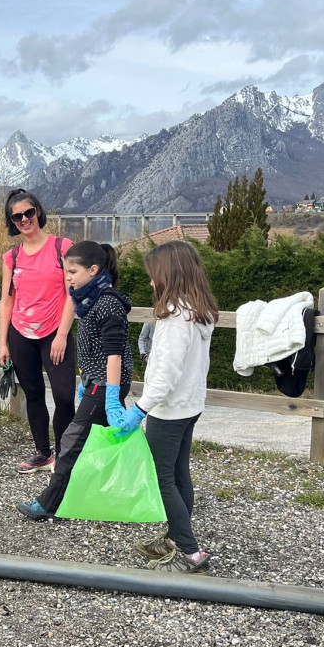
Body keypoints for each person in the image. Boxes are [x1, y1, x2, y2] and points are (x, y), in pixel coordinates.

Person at [111, 240, 218, 574]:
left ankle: (189, 552)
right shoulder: (197, 311)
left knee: (161, 477)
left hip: (168, 410)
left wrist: (140, 409)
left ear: (169, 274)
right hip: (189, 406)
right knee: (177, 471)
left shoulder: (174, 319)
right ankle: (174, 538)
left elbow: (166, 374)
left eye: (154, 276)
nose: (151, 282)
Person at [16, 240, 132, 520]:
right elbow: (94, 349)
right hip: (98, 381)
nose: (67, 278)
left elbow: (114, 355)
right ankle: (116, 494)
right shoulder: (90, 299)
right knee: (107, 443)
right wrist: (86, 376)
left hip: (106, 385)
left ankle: (48, 503)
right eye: (65, 272)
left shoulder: (107, 304)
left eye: (73, 272)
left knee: (71, 441)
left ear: (94, 270)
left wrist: (112, 395)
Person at [0, 188, 76, 474]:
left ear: (38, 212)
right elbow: (7, 301)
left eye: (28, 213)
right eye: (17, 217)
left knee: (65, 395)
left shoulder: (62, 247)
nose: (24, 219)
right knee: (33, 394)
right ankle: (43, 453)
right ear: (12, 221)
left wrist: (63, 335)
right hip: (21, 335)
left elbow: (72, 295)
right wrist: (3, 343)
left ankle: (66, 454)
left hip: (55, 332)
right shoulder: (12, 257)